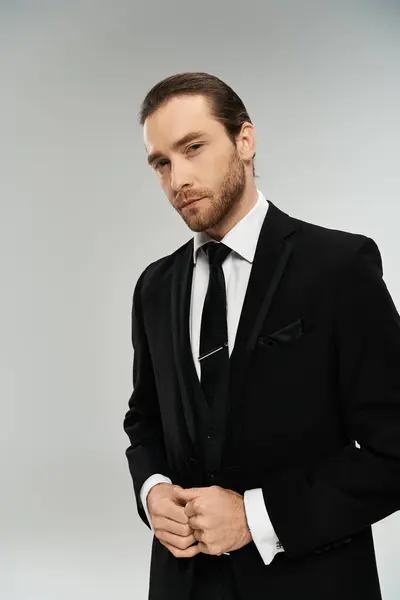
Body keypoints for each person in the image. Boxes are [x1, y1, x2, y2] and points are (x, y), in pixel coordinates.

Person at [123, 71, 400, 600]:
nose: (177, 178)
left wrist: (258, 516)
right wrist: (152, 489)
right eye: (161, 163)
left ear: (244, 140)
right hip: (180, 585)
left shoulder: (339, 268)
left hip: (309, 582)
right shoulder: (154, 287)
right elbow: (145, 419)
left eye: (193, 147)